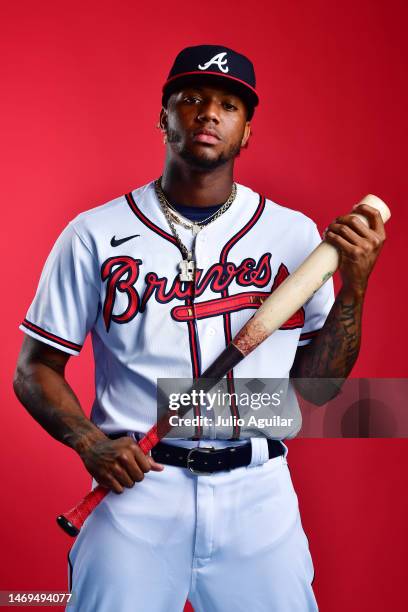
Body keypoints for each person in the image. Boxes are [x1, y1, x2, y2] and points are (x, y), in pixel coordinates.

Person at [13, 45, 386, 612]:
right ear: (163, 117)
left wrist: (354, 286)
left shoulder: (295, 235)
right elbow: (34, 367)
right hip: (138, 489)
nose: (209, 113)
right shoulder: (93, 233)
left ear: (246, 132)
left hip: (258, 492)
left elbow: (317, 388)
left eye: (228, 105)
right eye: (191, 99)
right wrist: (89, 443)